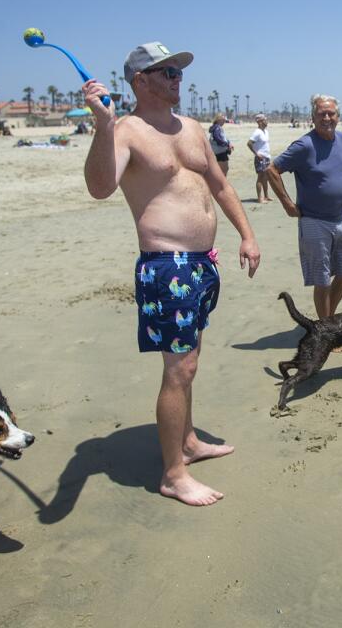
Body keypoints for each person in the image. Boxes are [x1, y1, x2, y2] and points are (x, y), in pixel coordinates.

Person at [81, 41, 261, 507]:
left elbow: (219, 184)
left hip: (204, 263)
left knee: (190, 362)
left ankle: (189, 442)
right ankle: (173, 474)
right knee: (178, 369)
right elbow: (100, 187)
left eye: (179, 73)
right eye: (166, 73)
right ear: (140, 82)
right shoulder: (125, 131)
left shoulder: (194, 127)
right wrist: (102, 127)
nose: (177, 80)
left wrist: (247, 233)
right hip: (167, 266)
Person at [266, 94, 342, 321]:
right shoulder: (304, 145)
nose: (327, 118)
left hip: (341, 218)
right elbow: (271, 170)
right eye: (321, 114)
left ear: (338, 116)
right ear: (312, 117)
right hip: (314, 221)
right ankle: (326, 329)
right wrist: (288, 204)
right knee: (323, 279)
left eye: (331, 113)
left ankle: (326, 322)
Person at [247, 114, 272, 203]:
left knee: (266, 177)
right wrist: (256, 154)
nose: (267, 121)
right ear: (260, 121)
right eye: (265, 120)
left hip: (267, 157)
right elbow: (249, 143)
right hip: (260, 158)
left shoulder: (265, 131)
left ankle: (266, 196)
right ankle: (259, 198)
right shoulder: (257, 132)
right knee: (260, 177)